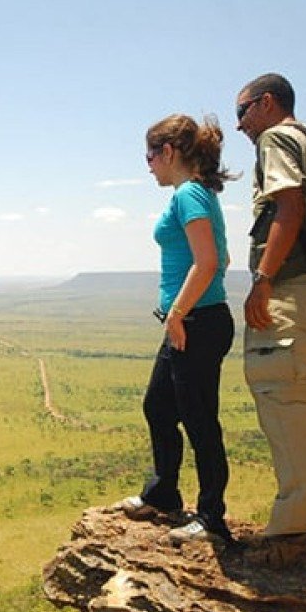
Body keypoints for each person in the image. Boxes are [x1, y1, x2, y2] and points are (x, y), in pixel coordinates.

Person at [234, 73, 306, 566]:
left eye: (242, 111)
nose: (240, 125)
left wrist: (263, 279)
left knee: (287, 406)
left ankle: (291, 532)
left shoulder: (277, 139)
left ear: (266, 103)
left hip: (290, 294)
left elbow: (289, 206)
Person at [116, 113, 237, 546]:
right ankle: (163, 494)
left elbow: (208, 262)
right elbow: (221, 258)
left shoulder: (189, 194)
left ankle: (211, 519)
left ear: (167, 152)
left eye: (149, 156)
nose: (148, 166)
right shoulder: (196, 194)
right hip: (193, 320)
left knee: (200, 420)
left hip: (195, 322)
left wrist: (177, 313)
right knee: (159, 406)